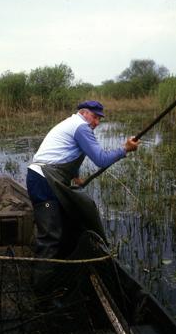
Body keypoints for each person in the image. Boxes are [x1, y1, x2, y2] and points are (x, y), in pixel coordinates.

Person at [26, 100, 139, 264]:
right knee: (50, 237)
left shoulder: (72, 123)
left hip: (44, 178)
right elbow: (101, 160)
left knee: (65, 225)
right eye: (95, 117)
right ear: (84, 112)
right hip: (44, 180)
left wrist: (76, 176)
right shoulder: (81, 127)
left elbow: (67, 153)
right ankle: (43, 287)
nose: (97, 122)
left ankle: (61, 266)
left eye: (100, 118)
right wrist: (124, 149)